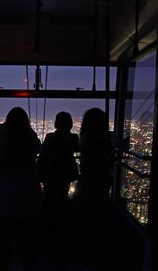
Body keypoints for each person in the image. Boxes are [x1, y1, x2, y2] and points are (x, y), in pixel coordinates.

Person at [0, 107, 42, 271]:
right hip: (28, 195)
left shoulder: (1, 140)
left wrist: (2, 127)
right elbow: (37, 145)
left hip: (4, 193)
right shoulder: (31, 141)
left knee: (4, 241)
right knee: (26, 242)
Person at [73, 108, 114, 269]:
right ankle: (97, 258)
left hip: (86, 184)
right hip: (99, 187)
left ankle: (80, 256)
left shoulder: (84, 139)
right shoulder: (103, 142)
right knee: (98, 224)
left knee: (82, 223)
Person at [38, 111, 79, 205]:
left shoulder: (49, 137)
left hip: (50, 172)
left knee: (49, 198)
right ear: (70, 124)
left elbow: (44, 151)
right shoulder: (73, 138)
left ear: (56, 124)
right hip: (65, 172)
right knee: (63, 197)